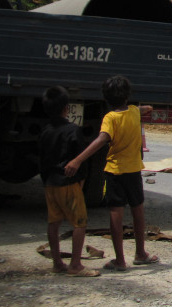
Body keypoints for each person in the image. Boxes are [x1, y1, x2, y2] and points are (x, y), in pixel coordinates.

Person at [65, 75, 158, 271]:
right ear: (127, 96)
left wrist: (77, 159)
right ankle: (141, 253)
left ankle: (120, 260)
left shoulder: (110, 118)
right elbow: (142, 109)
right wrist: (147, 108)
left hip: (115, 172)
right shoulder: (134, 112)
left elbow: (101, 140)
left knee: (116, 212)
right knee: (137, 210)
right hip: (134, 170)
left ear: (106, 98)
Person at [38, 86, 100, 277]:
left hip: (50, 183)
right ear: (66, 108)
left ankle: (57, 263)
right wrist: (81, 182)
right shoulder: (74, 131)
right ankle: (75, 264)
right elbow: (81, 161)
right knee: (79, 223)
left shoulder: (44, 131)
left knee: (53, 222)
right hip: (69, 183)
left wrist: (46, 180)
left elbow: (41, 159)